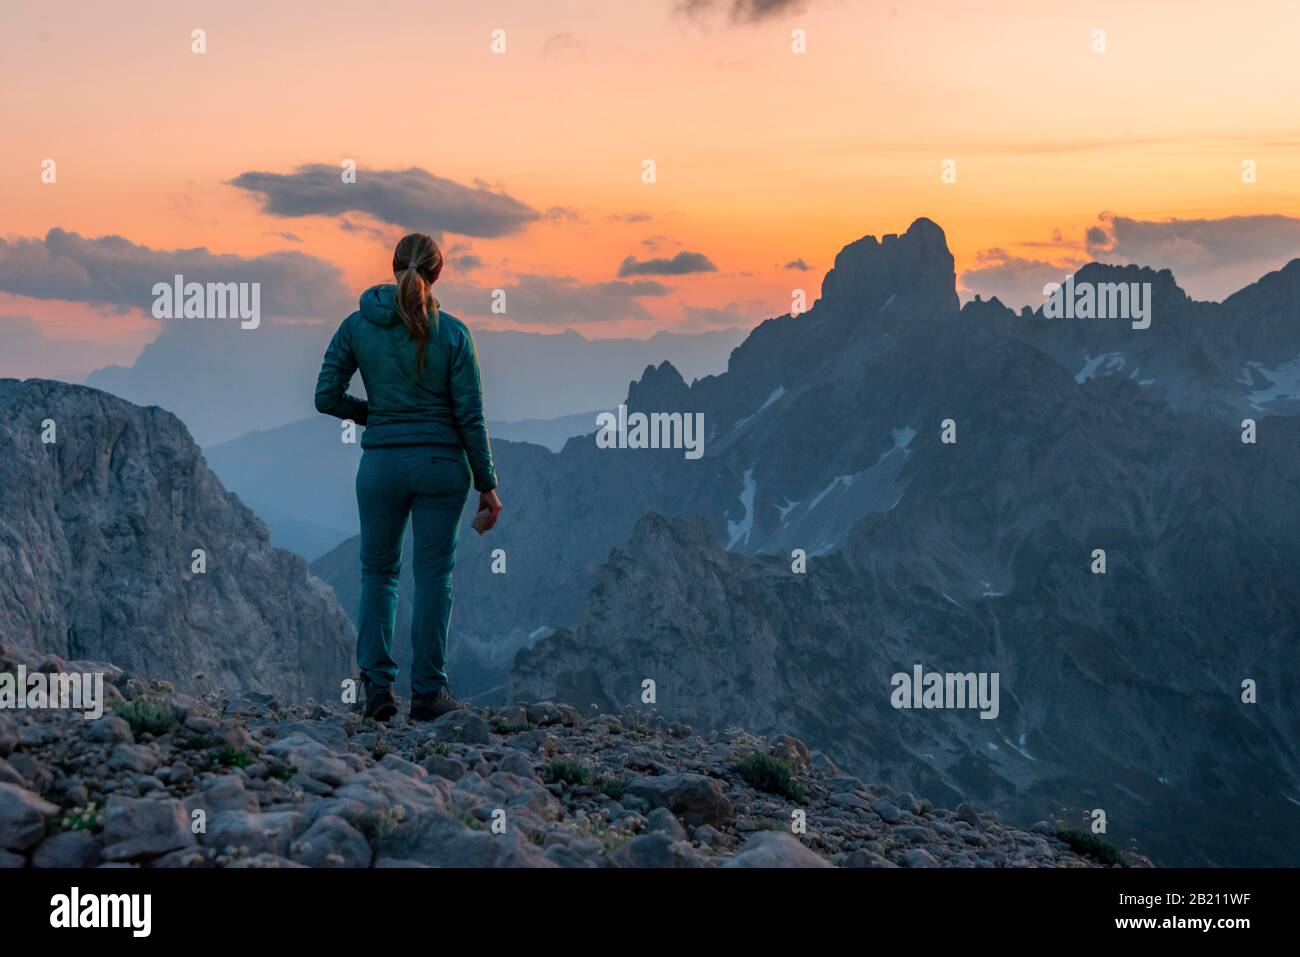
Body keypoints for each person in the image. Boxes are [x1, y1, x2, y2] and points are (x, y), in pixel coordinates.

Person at [314, 232, 502, 722]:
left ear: (392, 266)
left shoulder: (358, 326)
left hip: (381, 467)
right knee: (434, 576)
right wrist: (487, 484)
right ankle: (427, 696)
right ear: (437, 274)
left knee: (379, 574)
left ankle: (377, 690)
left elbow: (325, 396)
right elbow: (471, 416)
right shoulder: (455, 334)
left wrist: (373, 416)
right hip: (442, 469)